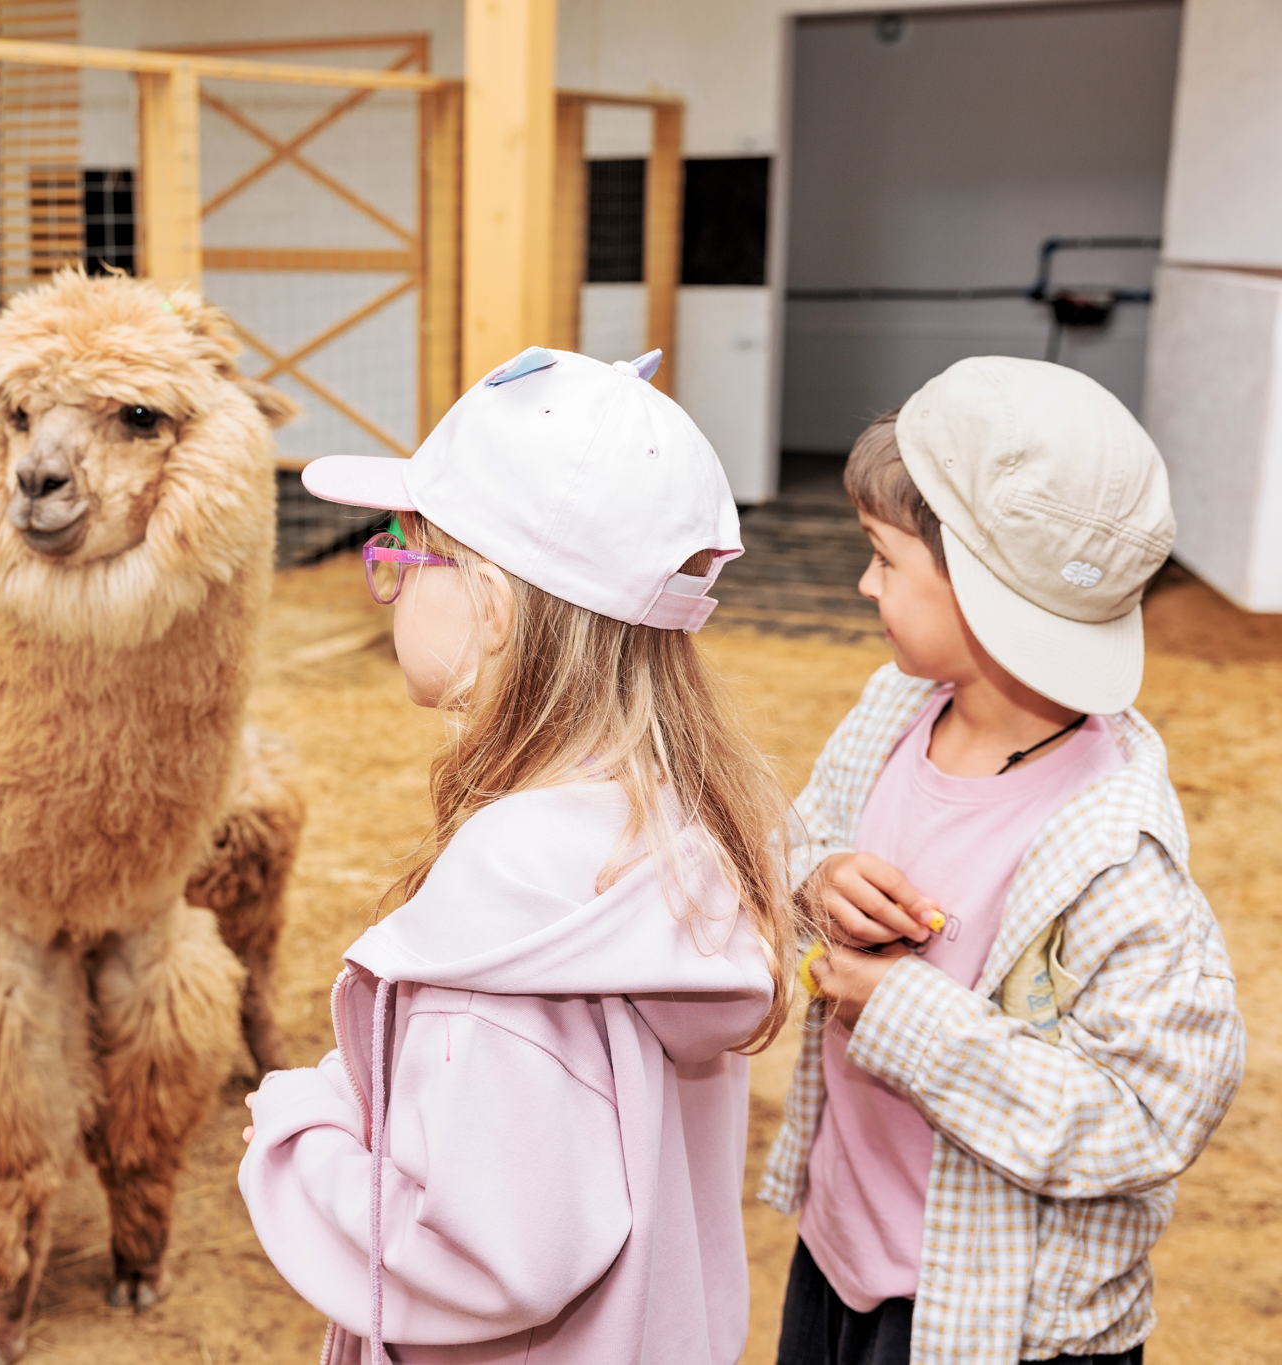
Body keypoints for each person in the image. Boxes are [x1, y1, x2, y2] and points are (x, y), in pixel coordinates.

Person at [237, 345, 805, 1364]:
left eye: (403, 554)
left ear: (492, 608)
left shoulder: (512, 915)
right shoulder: (681, 830)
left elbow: (479, 1257)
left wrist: (299, 1129)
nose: (387, 580)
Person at [761, 357, 1246, 1365]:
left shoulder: (1115, 856)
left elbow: (1143, 1125)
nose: (862, 584)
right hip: (841, 1256)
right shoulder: (892, 714)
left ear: (982, 590)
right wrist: (816, 878)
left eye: (882, 560)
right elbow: (801, 830)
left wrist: (897, 1013)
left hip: (992, 1322)